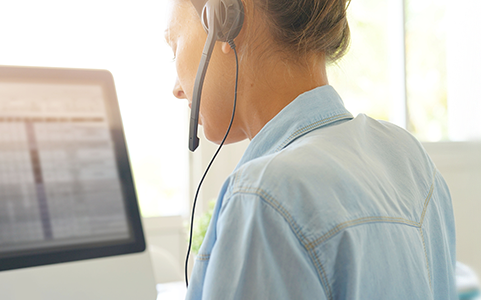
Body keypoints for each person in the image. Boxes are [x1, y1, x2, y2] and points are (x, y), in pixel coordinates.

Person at [164, 0, 456, 299]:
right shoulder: (409, 159)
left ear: (225, 20)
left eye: (174, 46)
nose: (176, 88)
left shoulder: (263, 199)